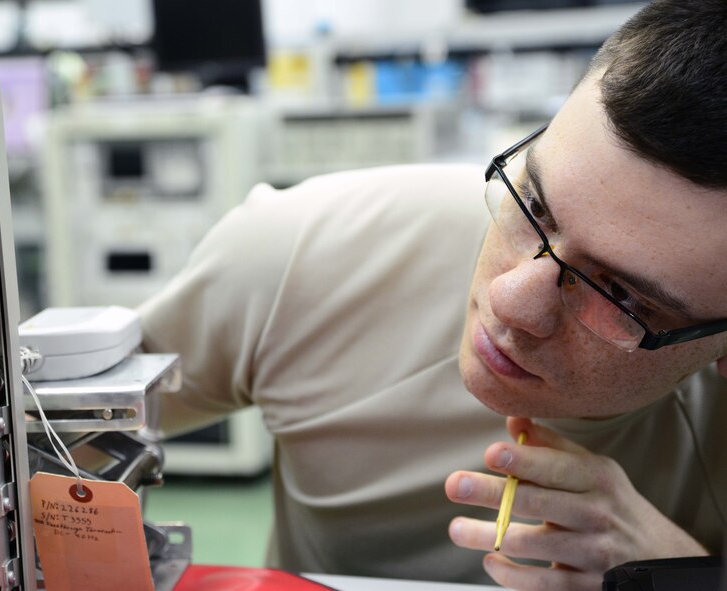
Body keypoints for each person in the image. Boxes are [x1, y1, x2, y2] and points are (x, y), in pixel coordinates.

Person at [136, 1, 727, 588]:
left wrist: (687, 576)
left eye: (620, 296)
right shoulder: (315, 252)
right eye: (535, 205)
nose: (511, 300)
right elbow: (56, 446)